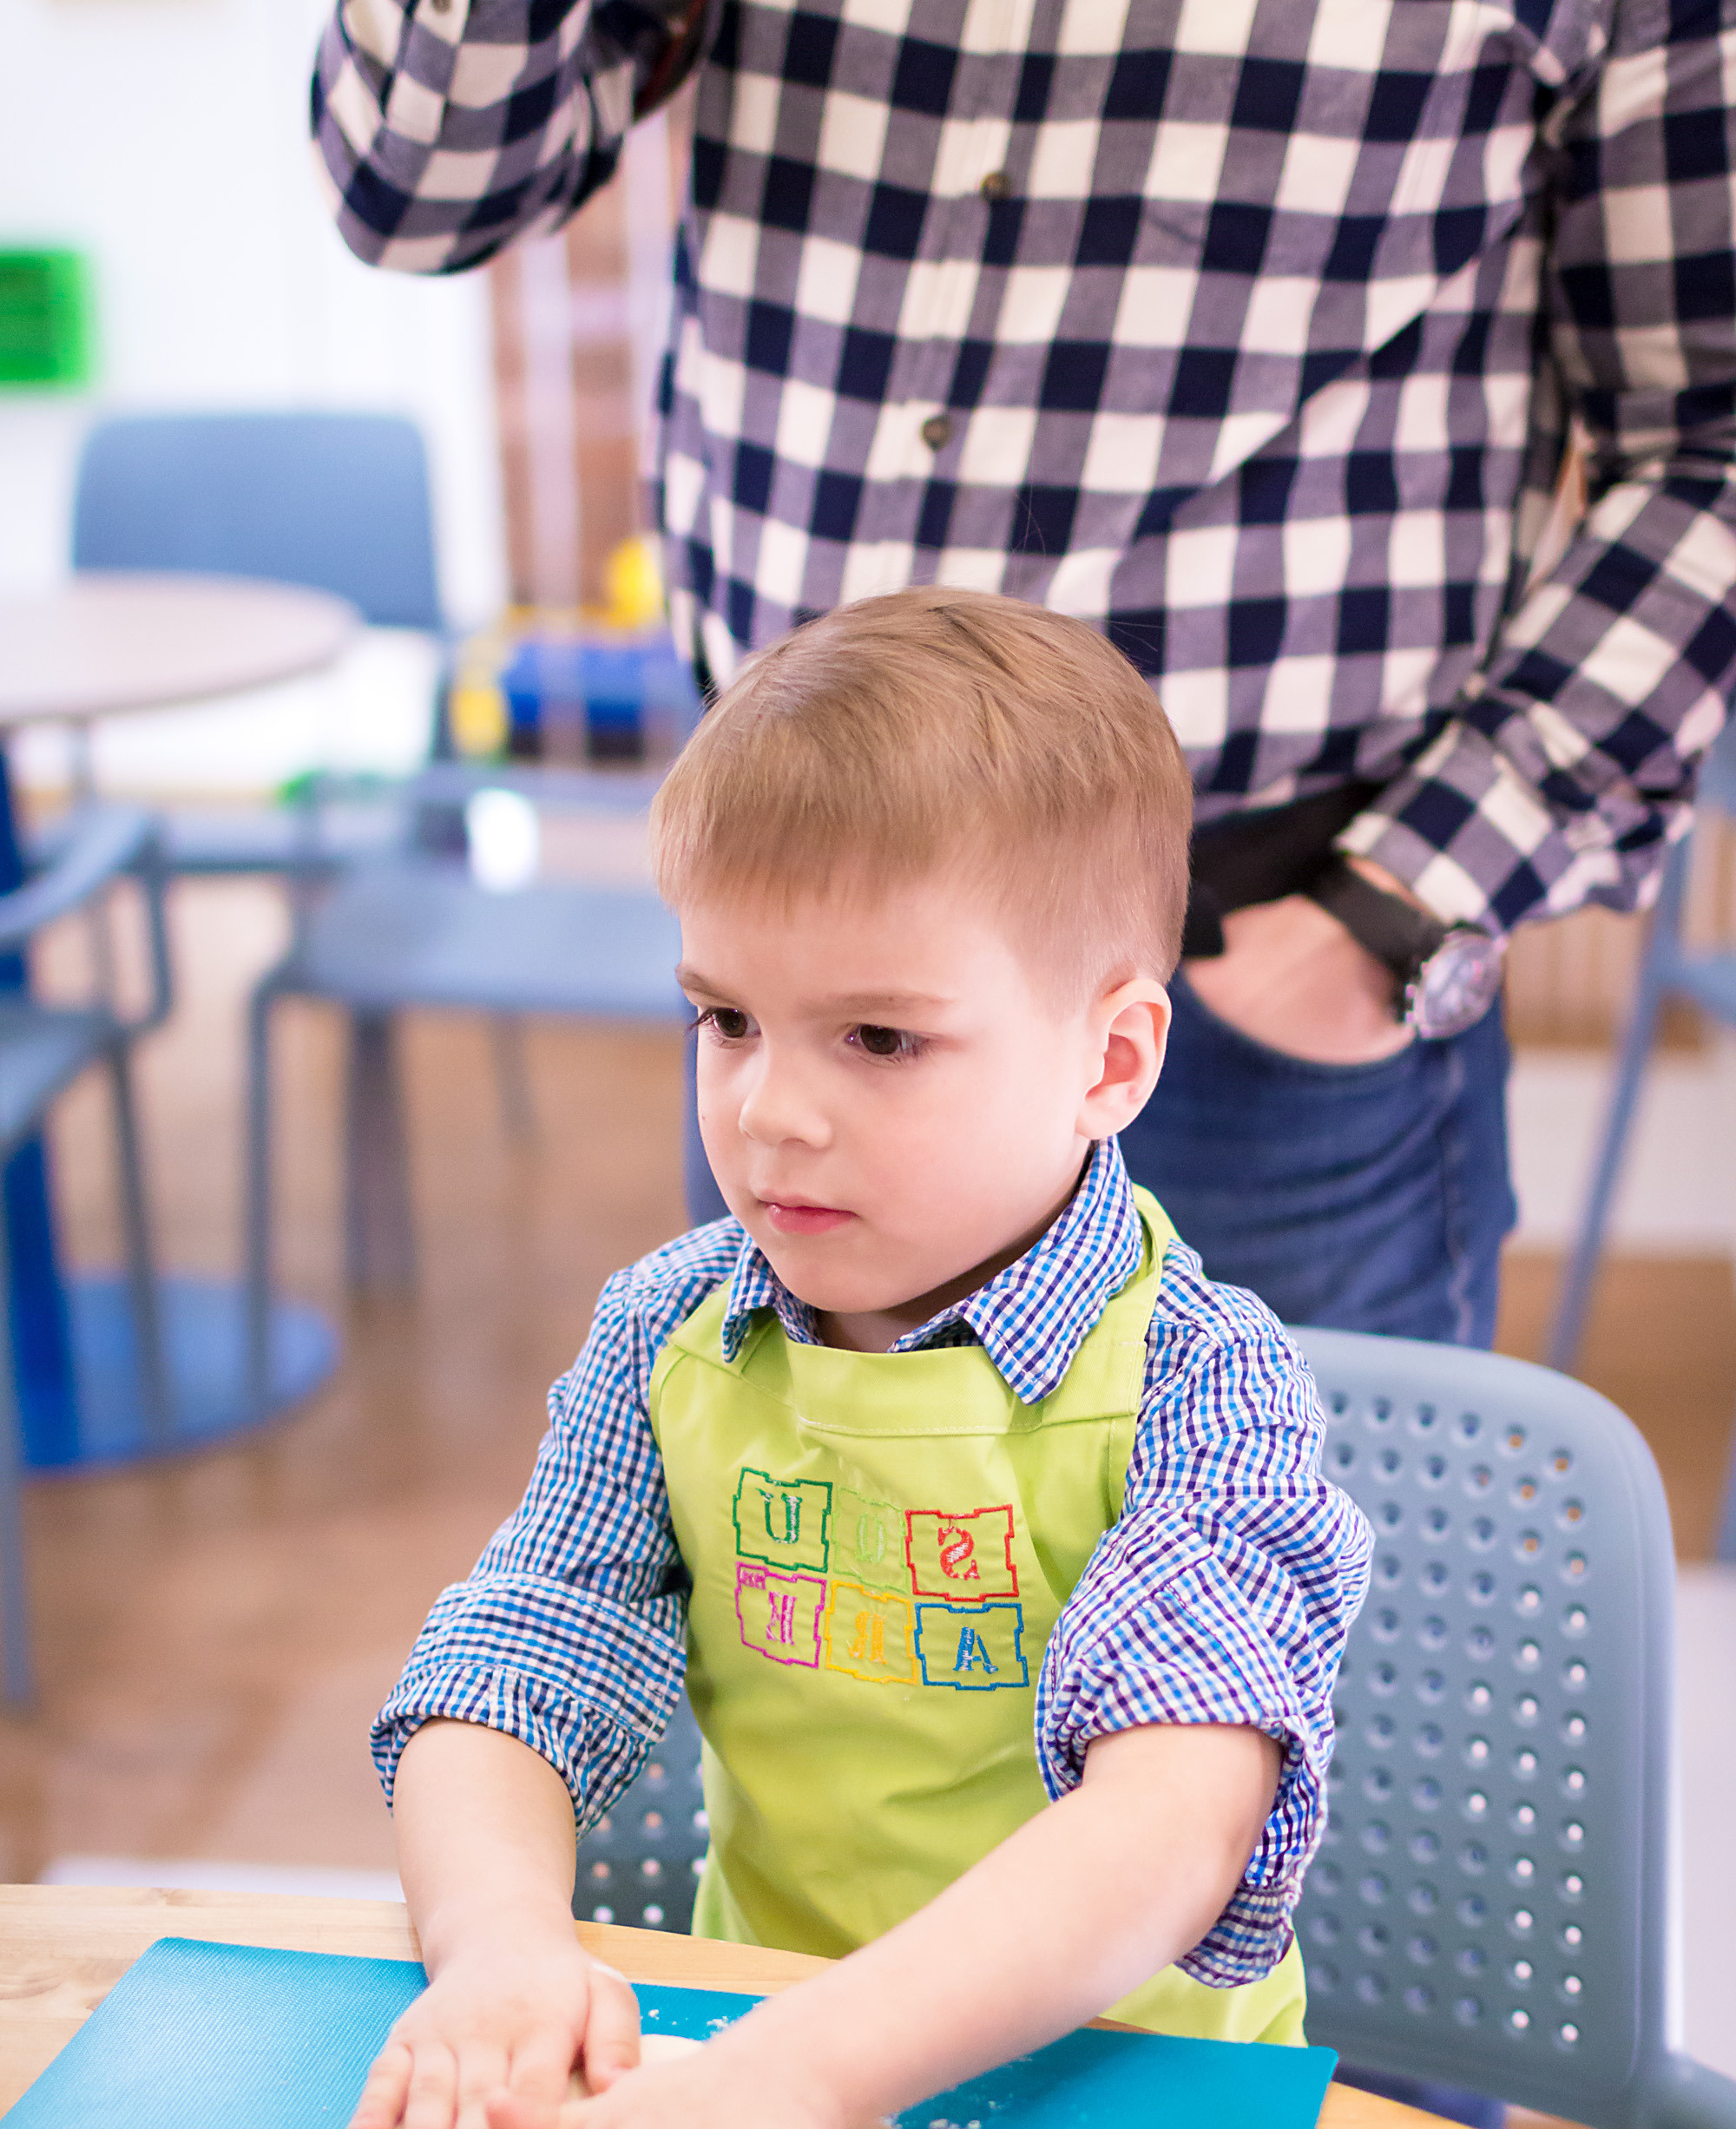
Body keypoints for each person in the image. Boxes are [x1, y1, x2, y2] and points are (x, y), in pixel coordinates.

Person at [314, 1, 1736, 1346]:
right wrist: (758, 1013)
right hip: (791, 915)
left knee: (1270, 1585)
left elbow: (1709, 445)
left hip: (1267, 971)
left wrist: (1388, 916)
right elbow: (414, 183)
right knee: (789, 1575)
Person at [350, 593, 1370, 2129]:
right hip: (743, 2067)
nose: (767, 1112)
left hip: (1115, 2106)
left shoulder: (1205, 1385)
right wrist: (503, 1942)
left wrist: (811, 2073)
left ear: (1109, 1059)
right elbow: (514, 1663)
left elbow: (1171, 1824)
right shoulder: (669, 1335)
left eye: (878, 1039)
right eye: (726, 1019)